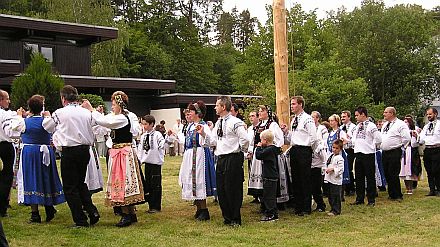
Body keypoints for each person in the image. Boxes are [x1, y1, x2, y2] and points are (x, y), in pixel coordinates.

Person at [83, 91, 145, 227]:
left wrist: (91, 110)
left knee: (122, 183)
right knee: (122, 182)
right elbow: (103, 123)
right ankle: (130, 214)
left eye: (114, 104)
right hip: (118, 153)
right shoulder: (117, 117)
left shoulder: (122, 118)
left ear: (120, 105)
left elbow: (105, 121)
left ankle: (127, 215)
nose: (112, 107)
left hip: (123, 153)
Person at [42, 85, 100, 228]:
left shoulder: (60, 113)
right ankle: (92, 211)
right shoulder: (86, 112)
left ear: (63, 98)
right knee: (81, 183)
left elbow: (47, 127)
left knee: (69, 187)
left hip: (70, 150)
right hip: (85, 150)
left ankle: (80, 220)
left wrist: (48, 117)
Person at [12, 95, 65, 223]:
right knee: (46, 177)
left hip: (30, 153)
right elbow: (52, 128)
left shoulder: (24, 122)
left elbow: (14, 127)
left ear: (29, 108)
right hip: (44, 152)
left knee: (32, 179)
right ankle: (48, 207)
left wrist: (19, 116)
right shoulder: (46, 121)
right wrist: (47, 116)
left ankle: (35, 213)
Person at [198, 96, 249, 226]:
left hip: (232, 157)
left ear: (223, 107)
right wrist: (203, 133)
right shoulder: (219, 123)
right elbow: (214, 141)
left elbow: (244, 139)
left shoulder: (235, 122)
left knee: (233, 188)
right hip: (221, 158)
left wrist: (239, 152)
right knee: (222, 189)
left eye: (217, 105)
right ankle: (227, 217)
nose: (215, 107)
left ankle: (235, 218)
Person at [179, 101, 217, 221]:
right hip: (190, 155)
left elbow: (210, 142)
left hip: (199, 155)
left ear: (198, 113)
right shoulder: (190, 126)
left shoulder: (203, 125)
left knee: (199, 180)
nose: (188, 112)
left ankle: (204, 210)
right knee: (191, 179)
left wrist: (203, 133)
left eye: (191, 111)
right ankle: (199, 209)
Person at [281, 96, 317, 216]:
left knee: (304, 179)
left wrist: (309, 149)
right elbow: (293, 137)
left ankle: (306, 207)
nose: (292, 106)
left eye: (294, 104)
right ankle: (298, 206)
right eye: (291, 104)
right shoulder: (294, 120)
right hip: (295, 149)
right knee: (295, 178)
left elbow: (313, 137)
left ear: (301, 104)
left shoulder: (307, 119)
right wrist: (286, 132)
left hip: (304, 150)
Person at [248, 105, 284, 206]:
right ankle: (262, 201)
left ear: (267, 113)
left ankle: (270, 204)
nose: (259, 113)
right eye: (259, 111)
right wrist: (251, 150)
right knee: (260, 179)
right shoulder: (259, 125)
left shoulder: (272, 125)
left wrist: (270, 146)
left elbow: (279, 139)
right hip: (259, 154)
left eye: (261, 111)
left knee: (268, 180)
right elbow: (253, 140)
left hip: (267, 155)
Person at [351, 106, 381, 206]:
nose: (355, 117)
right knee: (359, 177)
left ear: (363, 114)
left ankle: (371, 199)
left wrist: (371, 146)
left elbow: (378, 139)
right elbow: (354, 139)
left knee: (370, 177)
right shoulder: (356, 127)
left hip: (368, 154)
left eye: (357, 115)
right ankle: (359, 198)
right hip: (358, 153)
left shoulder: (371, 126)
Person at [380, 107, 410, 201]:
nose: (384, 114)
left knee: (393, 172)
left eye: (386, 112)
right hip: (385, 151)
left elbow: (406, 137)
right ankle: (391, 193)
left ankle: (397, 194)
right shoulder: (385, 125)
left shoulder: (400, 124)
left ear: (392, 113)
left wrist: (401, 146)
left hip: (394, 151)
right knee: (387, 172)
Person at [137, 115, 165, 213]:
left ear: (152, 124)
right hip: (147, 163)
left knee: (156, 184)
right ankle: (150, 204)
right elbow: (140, 149)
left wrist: (161, 145)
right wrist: (139, 160)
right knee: (148, 184)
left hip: (155, 163)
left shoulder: (157, 134)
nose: (144, 126)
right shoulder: (144, 136)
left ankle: (156, 206)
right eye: (142, 124)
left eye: (146, 124)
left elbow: (162, 143)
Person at [0, 90, 20, 217]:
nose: (9, 101)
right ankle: (2, 207)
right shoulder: (5, 115)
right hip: (4, 146)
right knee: (6, 177)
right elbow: (13, 130)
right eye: (7, 99)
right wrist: (18, 116)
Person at [255, 129, 282, 222]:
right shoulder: (272, 149)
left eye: (261, 140)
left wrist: (258, 147)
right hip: (270, 175)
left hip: (270, 176)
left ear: (265, 140)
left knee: (269, 197)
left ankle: (272, 214)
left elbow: (258, 155)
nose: (260, 142)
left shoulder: (269, 150)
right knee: (268, 195)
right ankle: (271, 212)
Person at [326, 114, 350, 201]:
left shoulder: (340, 132)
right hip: (332, 154)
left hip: (339, 154)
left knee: (340, 173)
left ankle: (341, 195)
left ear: (336, 121)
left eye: (332, 121)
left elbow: (346, 140)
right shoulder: (330, 133)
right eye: (330, 121)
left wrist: (340, 146)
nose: (330, 123)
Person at [418, 107, 440, 196]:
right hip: (427, 149)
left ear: (435, 114)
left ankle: (438, 188)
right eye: (427, 114)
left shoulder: (439, 124)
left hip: (437, 149)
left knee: (437, 170)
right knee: (429, 170)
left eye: (430, 114)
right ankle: (432, 189)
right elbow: (421, 140)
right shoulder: (426, 126)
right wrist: (417, 136)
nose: (428, 116)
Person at [310, 111, 328, 212]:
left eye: (314, 117)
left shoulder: (322, 128)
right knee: (312, 186)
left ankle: (321, 204)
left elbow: (324, 142)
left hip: (318, 163)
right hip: (311, 162)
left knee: (316, 187)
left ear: (317, 119)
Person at [400, 116, 421, 194]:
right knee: (404, 170)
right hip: (403, 151)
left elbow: (415, 144)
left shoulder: (414, 131)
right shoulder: (401, 132)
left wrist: (414, 136)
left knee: (410, 170)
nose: (405, 123)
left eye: (406, 122)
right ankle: (407, 188)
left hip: (410, 151)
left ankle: (411, 188)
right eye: (404, 122)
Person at [324, 140, 345, 216]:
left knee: (336, 196)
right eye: (333, 147)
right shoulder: (331, 156)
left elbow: (341, 169)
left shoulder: (340, 158)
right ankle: (332, 208)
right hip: (330, 179)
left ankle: (336, 210)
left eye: (336, 148)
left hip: (336, 180)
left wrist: (333, 169)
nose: (334, 149)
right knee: (330, 195)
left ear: (340, 149)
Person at [340, 110, 356, 195]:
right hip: (343, 149)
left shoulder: (353, 127)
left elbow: (354, 139)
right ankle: (346, 188)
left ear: (349, 117)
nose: (342, 118)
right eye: (341, 117)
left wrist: (347, 140)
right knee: (343, 168)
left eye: (344, 117)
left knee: (349, 168)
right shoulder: (341, 127)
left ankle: (351, 188)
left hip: (350, 150)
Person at [246, 111, 260, 203]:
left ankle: (259, 194)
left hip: (258, 152)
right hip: (251, 152)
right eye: (250, 116)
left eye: (253, 116)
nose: (251, 118)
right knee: (251, 172)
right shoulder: (250, 129)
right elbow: (248, 141)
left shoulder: (261, 127)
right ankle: (254, 195)